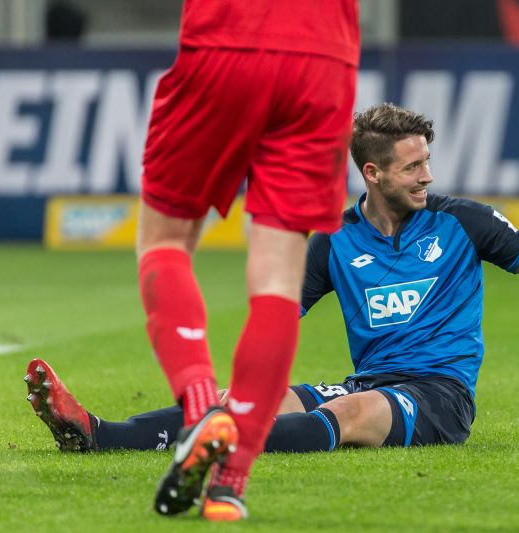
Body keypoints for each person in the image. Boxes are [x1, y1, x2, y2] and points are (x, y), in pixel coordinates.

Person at [26, 102, 519, 483]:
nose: (427, 176)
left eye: (427, 163)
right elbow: (278, 315)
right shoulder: (335, 242)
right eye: (412, 166)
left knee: (351, 420)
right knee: (253, 400)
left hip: (439, 395)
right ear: (373, 172)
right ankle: (99, 433)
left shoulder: (462, 222)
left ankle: (218, 447)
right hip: (369, 381)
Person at [129, 0, 359, 521]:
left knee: (164, 242)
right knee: (278, 279)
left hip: (229, 37)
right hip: (324, 60)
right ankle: (229, 484)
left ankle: (201, 404)